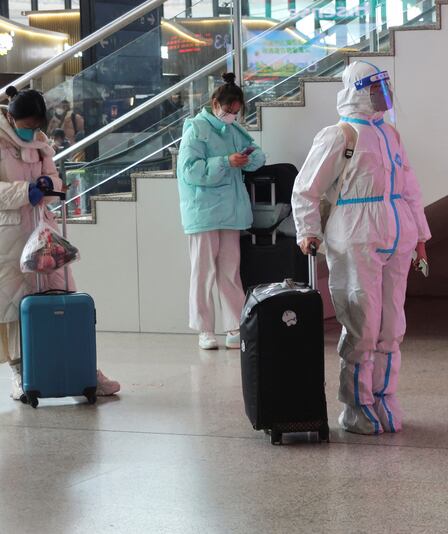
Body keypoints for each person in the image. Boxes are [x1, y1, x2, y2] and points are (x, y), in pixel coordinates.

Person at [291, 61, 431, 435]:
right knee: (362, 324)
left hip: (395, 238)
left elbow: (410, 188)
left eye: (383, 87)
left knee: (391, 325)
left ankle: (384, 395)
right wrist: (308, 230)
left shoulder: (391, 134)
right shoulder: (340, 135)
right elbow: (307, 187)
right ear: (357, 90)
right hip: (355, 237)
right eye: (374, 88)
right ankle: (356, 404)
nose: (381, 95)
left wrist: (419, 237)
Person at [0, 86, 119, 399]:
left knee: (63, 292)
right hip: (8, 235)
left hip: (43, 231)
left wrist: (46, 184)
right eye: (26, 127)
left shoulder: (40, 143)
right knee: (13, 306)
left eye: (36, 128)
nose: (31, 133)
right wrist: (25, 191)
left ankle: (84, 369)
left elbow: (55, 178)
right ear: (11, 119)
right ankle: (20, 373)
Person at [177, 73, 266, 350]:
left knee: (230, 270)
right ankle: (204, 330)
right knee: (202, 272)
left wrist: (247, 157)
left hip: (230, 211)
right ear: (215, 103)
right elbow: (190, 171)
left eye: (236, 112)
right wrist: (226, 162)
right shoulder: (196, 130)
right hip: (203, 212)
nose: (231, 116)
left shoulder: (235, 131)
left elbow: (258, 158)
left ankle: (235, 326)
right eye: (229, 110)